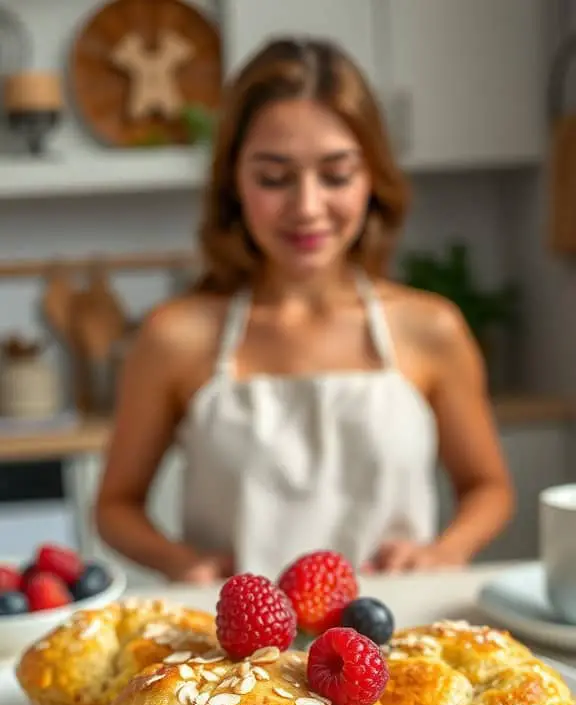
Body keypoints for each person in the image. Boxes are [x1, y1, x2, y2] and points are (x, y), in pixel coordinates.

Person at [96, 37, 514, 583]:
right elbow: (116, 505)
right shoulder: (176, 337)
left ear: (371, 179)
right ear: (234, 184)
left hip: (396, 635)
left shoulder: (430, 328)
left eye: (336, 175)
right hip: (236, 658)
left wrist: (445, 552)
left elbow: (489, 487)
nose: (307, 207)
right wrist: (185, 563)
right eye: (274, 178)